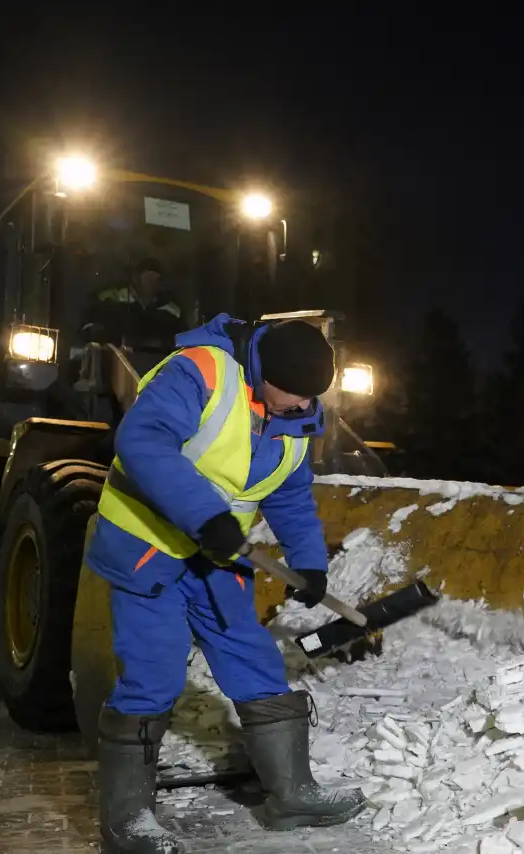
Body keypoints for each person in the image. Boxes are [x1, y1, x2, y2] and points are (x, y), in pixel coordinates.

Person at [84, 313, 365, 853]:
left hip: (216, 556)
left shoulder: (296, 414)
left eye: (311, 398)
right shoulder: (202, 372)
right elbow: (141, 440)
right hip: (149, 548)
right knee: (153, 674)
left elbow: (288, 494)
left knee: (254, 658)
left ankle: (291, 794)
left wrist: (309, 563)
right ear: (261, 371)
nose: (302, 408)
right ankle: (128, 823)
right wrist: (204, 516)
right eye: (292, 396)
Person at [81, 257, 187, 349]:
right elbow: (88, 329)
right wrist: (100, 334)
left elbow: (183, 342)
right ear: (135, 279)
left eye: (155, 280)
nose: (151, 285)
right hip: (114, 365)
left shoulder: (172, 310)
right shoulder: (109, 299)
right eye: (148, 280)